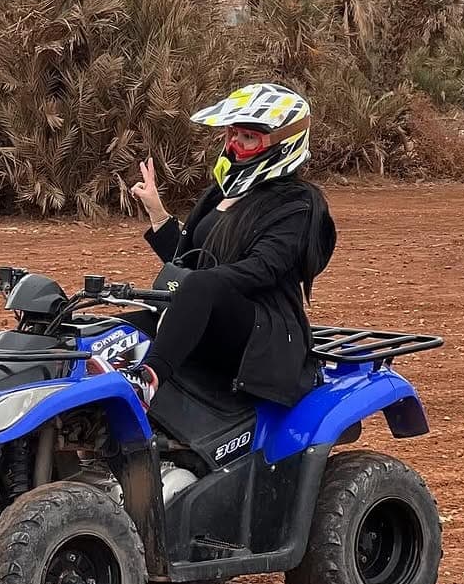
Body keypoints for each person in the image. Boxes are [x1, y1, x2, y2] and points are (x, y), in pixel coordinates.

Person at [129, 82, 336, 408]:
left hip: (262, 333)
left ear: (282, 144)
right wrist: (157, 212)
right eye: (233, 134)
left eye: (248, 137)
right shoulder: (220, 193)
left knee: (199, 285)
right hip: (211, 320)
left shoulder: (298, 203)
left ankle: (146, 383)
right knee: (117, 328)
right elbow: (188, 262)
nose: (236, 144)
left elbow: (262, 270)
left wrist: (200, 287)